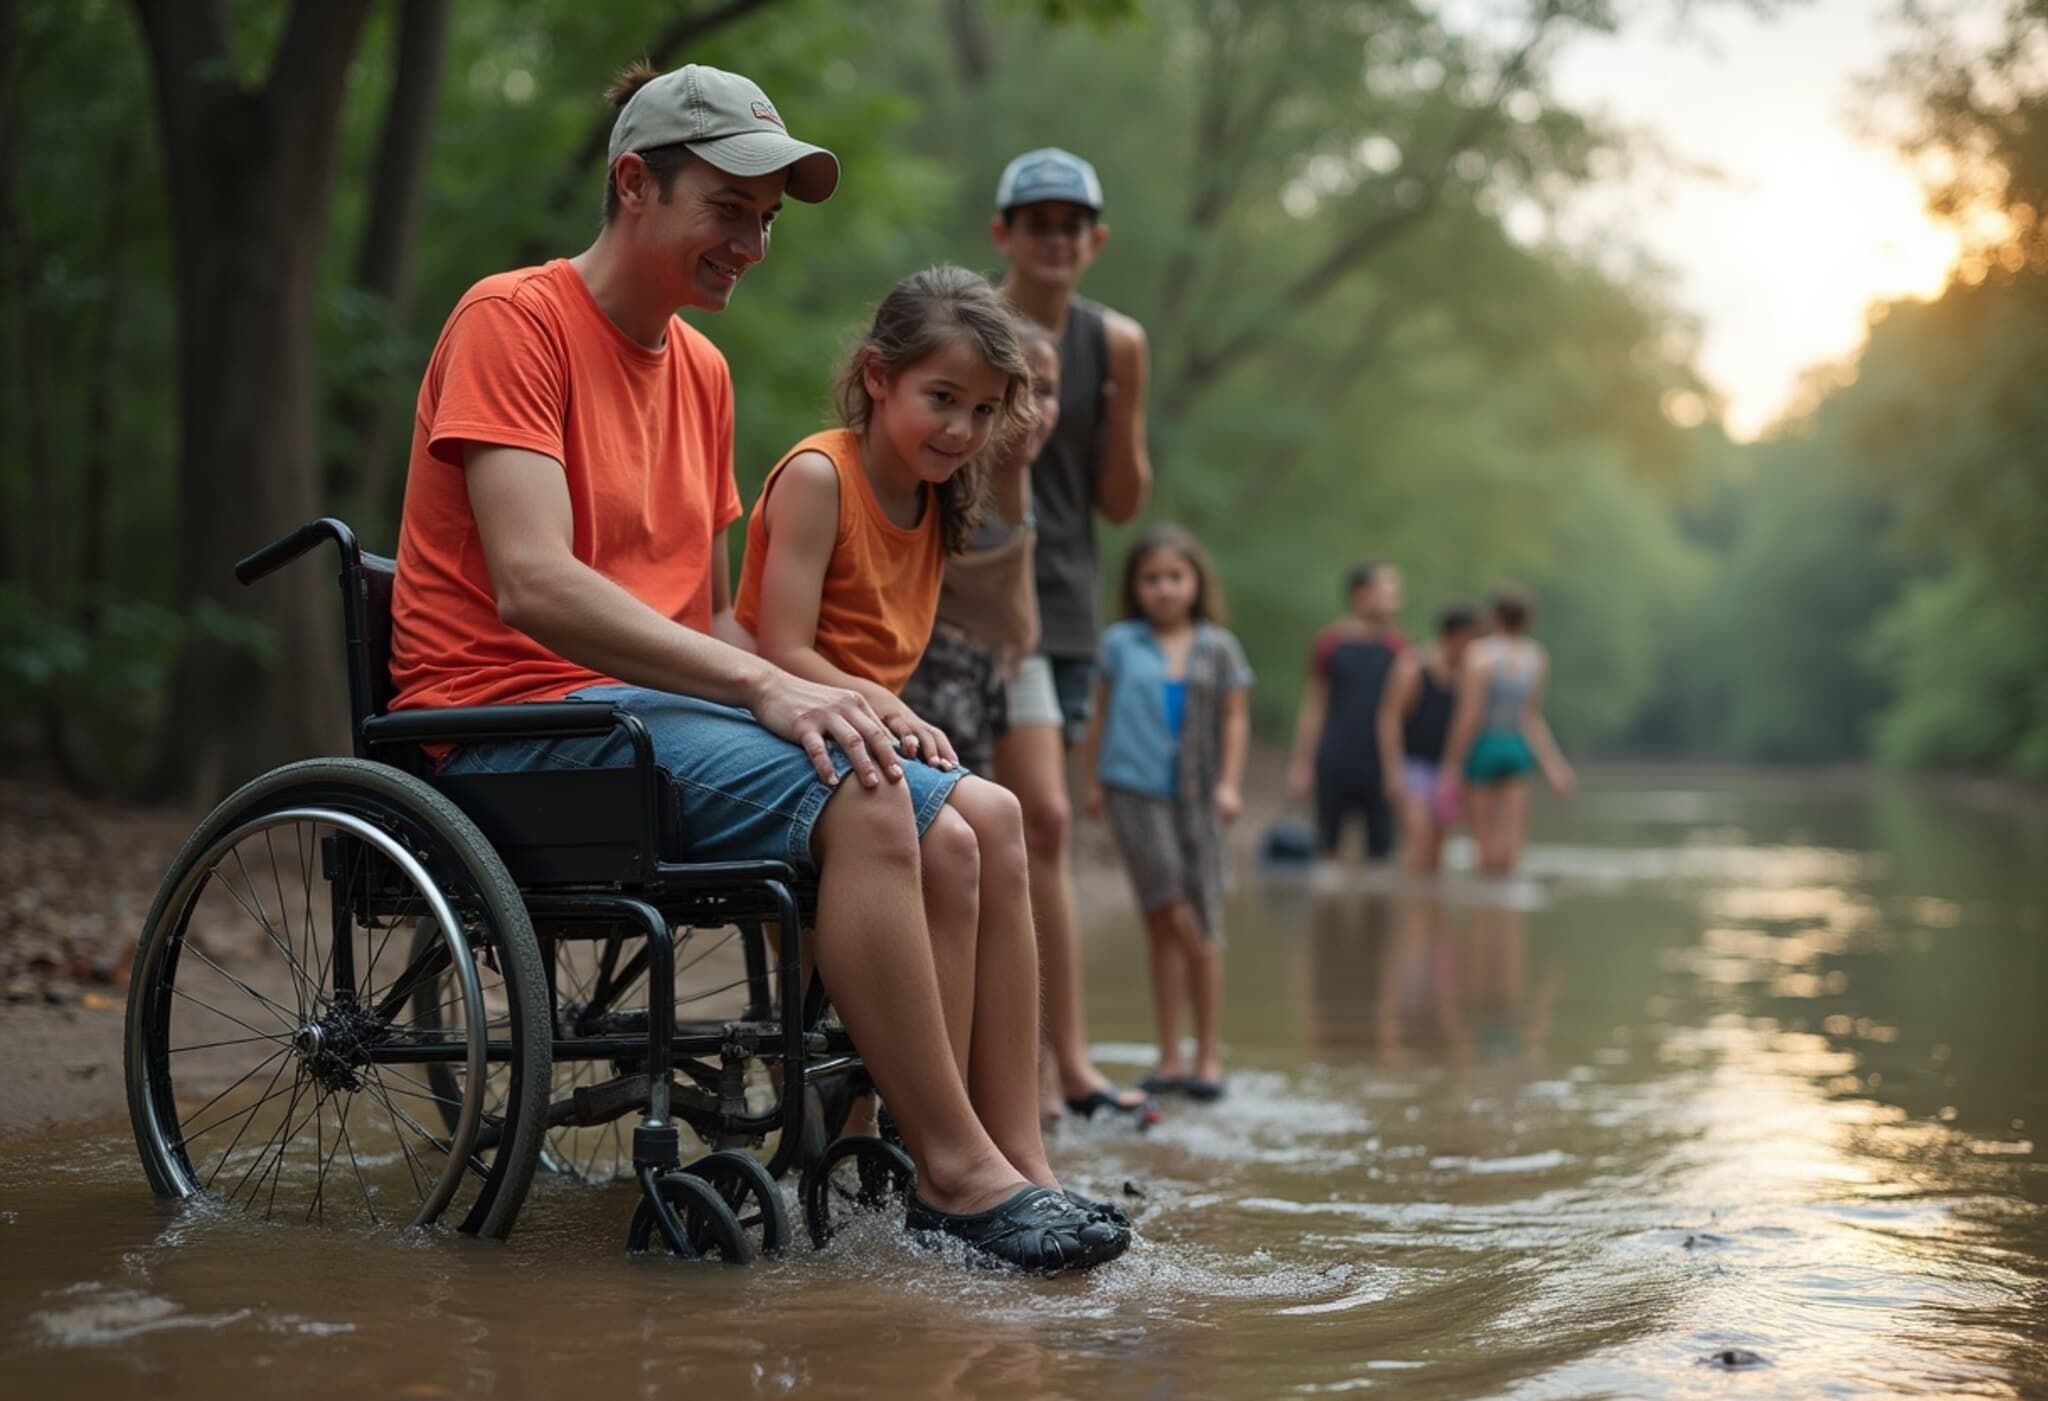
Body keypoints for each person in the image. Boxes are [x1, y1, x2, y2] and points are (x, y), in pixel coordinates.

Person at [386, 63, 1124, 1272]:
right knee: (876, 801)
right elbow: (534, 581)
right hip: (507, 720)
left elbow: (701, 616)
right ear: (635, 184)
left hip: (634, 715)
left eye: (768, 219)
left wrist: (833, 686)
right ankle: (951, 1174)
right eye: (728, 209)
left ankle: (1015, 1161)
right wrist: (765, 689)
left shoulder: (700, 370)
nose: (753, 243)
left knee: (982, 820)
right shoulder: (510, 321)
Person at [988, 148, 1156, 1126]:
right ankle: (1017, 1071)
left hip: (1061, 602)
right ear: (1001, 233)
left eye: (1071, 224)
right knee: (1008, 822)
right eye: (1035, 221)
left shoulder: (1112, 343)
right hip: (964, 594)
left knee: (1045, 825)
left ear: (1094, 240)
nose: (1054, 239)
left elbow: (1121, 501)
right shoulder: (969, 322)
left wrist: (1116, 396)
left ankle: (1067, 1063)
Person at [1081, 527, 1252, 1102]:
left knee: (1201, 918)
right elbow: (1097, 717)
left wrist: (1229, 784)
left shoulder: (1219, 646)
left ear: (1196, 582)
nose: (1164, 589)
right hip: (1133, 790)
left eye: (1175, 577)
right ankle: (1170, 1055)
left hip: (1200, 796)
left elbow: (1234, 719)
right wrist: (1092, 781)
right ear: (1136, 586)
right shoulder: (1118, 644)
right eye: (1152, 578)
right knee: (1164, 914)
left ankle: (1207, 1055)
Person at [897, 321, 1061, 774]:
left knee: (1042, 812)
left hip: (997, 663)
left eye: (1047, 392)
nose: (1035, 411)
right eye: (1020, 395)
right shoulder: (944, 468)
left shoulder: (1022, 478)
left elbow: (1021, 622)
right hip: (930, 667)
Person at [1436, 587, 1575, 876]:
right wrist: (1555, 767)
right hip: (1515, 747)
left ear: (1494, 616)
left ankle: (1487, 916)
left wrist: (1450, 764)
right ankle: (1507, 916)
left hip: (1484, 746)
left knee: (1485, 847)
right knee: (1511, 848)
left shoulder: (1479, 654)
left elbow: (1469, 715)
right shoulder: (1536, 657)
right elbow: (1531, 718)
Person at [1286, 561, 1406, 861]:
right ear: (1361, 594)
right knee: (1327, 851)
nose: (1395, 598)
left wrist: (1396, 770)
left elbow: (1400, 714)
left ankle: (1377, 910)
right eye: (1387, 590)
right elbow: (1315, 704)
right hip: (1334, 757)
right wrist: (1302, 764)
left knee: (1383, 855)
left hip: (1379, 762)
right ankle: (1327, 909)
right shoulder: (1330, 644)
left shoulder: (1399, 649)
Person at [1378, 601, 1482, 875]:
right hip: (1413, 766)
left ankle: (1427, 914)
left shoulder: (1468, 676)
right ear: (1460, 635)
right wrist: (1393, 769)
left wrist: (1456, 769)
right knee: (1419, 842)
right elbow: (1389, 718)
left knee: (1436, 855)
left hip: (1446, 770)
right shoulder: (1414, 667)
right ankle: (1411, 911)